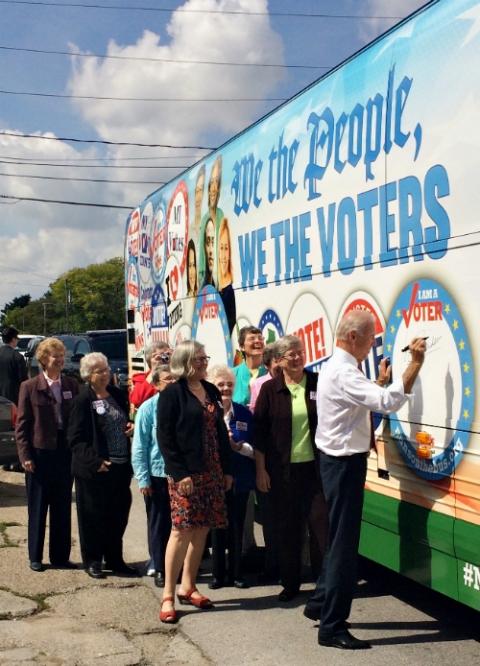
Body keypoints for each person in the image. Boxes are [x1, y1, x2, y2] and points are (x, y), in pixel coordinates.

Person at [303, 310, 426, 650]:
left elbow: (361, 400)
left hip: (335, 462)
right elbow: (385, 404)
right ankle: (331, 626)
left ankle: (318, 604)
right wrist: (414, 364)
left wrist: (381, 382)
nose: (373, 344)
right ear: (354, 337)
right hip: (343, 465)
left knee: (338, 538)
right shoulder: (344, 371)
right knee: (344, 546)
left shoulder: (336, 366)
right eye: (371, 338)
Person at [156, 340, 233, 624]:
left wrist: (227, 469)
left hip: (211, 470)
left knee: (201, 529)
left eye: (205, 357)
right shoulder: (172, 394)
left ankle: (188, 587)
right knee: (181, 531)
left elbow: (220, 433)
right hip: (186, 473)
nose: (204, 362)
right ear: (186, 361)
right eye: (199, 358)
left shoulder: (210, 390)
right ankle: (168, 594)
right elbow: (165, 438)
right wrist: (180, 474)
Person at [253, 335, 327, 602]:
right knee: (288, 529)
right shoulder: (270, 390)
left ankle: (323, 585)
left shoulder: (318, 383)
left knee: (320, 527)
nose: (297, 358)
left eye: (300, 353)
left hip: (315, 470)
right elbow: (259, 433)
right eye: (290, 355)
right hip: (282, 473)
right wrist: (261, 470)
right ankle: (291, 583)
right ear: (280, 360)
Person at [68, 352, 137, 579]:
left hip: (119, 466)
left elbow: (123, 420)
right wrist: (95, 461)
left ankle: (115, 559)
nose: (105, 374)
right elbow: (75, 438)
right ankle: (93, 560)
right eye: (99, 371)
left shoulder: (117, 394)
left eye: (106, 369)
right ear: (88, 375)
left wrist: (130, 426)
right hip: (96, 469)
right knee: (93, 516)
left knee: (118, 514)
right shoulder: (82, 400)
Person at [15, 337, 78, 571]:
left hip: (64, 452)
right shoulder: (29, 387)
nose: (60, 360)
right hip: (40, 453)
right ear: (44, 359)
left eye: (62, 355)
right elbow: (22, 426)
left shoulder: (71, 385)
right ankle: (35, 556)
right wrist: (25, 456)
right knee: (39, 506)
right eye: (55, 356)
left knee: (62, 506)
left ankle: (60, 557)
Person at [208, 365, 255, 589]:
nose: (225, 389)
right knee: (218, 528)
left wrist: (239, 447)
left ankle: (236, 574)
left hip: (240, 479)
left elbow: (256, 449)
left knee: (237, 526)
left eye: (229, 385)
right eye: (220, 385)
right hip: (214, 481)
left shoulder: (244, 413)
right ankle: (218, 574)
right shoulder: (207, 412)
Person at [132, 365, 175, 587]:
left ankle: (178, 567)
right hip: (157, 473)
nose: (172, 383)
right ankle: (159, 567)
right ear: (156, 385)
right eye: (168, 379)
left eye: (175, 379)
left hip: (180, 474)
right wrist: (143, 478)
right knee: (159, 524)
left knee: (180, 525)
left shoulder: (183, 406)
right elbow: (139, 446)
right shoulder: (148, 409)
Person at [130, 341, 172, 411]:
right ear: (149, 360)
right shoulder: (141, 379)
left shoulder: (177, 374)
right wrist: (154, 370)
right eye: (160, 356)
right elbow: (137, 402)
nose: (164, 358)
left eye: (166, 355)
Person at [232, 326, 267, 407]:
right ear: (242, 347)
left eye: (260, 338)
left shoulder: (271, 372)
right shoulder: (232, 374)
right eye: (252, 338)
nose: (257, 341)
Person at [249, 343, 282, 411]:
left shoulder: (291, 379)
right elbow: (254, 409)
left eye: (281, 360)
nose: (280, 365)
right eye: (276, 361)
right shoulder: (258, 384)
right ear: (267, 365)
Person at [217, 218, 236, 334]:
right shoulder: (214, 288)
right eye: (221, 248)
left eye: (226, 248)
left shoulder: (231, 291)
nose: (224, 256)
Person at [0, 326, 27, 405]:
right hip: (12, 398)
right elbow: (23, 379)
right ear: (13, 339)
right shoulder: (17, 356)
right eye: (17, 338)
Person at [201, 217, 216, 289]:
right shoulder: (201, 291)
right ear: (204, 246)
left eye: (213, 242)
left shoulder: (219, 288)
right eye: (208, 242)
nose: (211, 251)